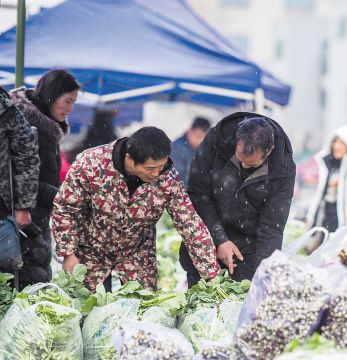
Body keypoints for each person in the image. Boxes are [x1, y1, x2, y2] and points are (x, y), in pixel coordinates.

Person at [52, 126, 220, 292]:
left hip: (137, 255)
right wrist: (68, 253)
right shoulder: (91, 163)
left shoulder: (168, 179)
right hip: (90, 250)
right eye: (150, 168)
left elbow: (190, 224)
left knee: (139, 311)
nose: (156, 174)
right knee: (87, 307)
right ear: (129, 159)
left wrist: (212, 274)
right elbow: (66, 207)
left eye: (160, 167)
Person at [180, 113, 296, 287]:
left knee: (242, 300)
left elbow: (272, 227)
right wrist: (220, 239)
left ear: (269, 150)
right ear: (236, 141)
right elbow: (198, 194)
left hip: (248, 249)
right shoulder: (215, 141)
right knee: (200, 301)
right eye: (240, 160)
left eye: (251, 165)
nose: (243, 167)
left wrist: (262, 276)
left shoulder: (283, 169)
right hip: (206, 238)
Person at [10, 69, 80, 287]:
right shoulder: (26, 127)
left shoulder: (46, 129)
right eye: (67, 101)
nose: (70, 109)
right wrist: (60, 196)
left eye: (73, 103)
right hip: (22, 222)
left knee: (33, 280)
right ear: (51, 95)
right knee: (25, 282)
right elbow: (16, 178)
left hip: (36, 218)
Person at [0, 86, 39, 277]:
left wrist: (23, 205)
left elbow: (26, 152)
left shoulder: (4, 108)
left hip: (2, 209)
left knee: (6, 272)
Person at [171, 117, 210, 187]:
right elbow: (176, 178)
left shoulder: (206, 148)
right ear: (189, 131)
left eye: (202, 137)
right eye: (197, 136)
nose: (198, 140)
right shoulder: (177, 148)